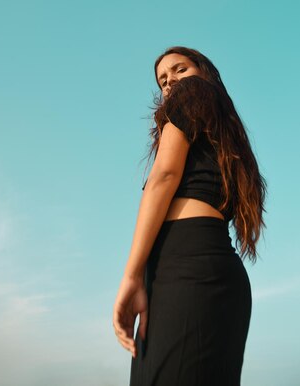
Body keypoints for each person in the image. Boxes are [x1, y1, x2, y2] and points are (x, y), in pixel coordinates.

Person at [113, 46, 268, 386]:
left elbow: (163, 177)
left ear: (205, 72)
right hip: (196, 270)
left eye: (180, 70)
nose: (171, 83)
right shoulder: (223, 132)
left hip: (188, 268)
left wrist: (131, 276)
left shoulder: (195, 92)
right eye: (163, 80)